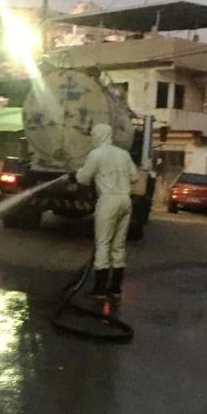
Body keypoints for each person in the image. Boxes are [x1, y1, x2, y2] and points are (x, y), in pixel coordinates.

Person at [73, 123, 140, 298]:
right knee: (118, 245)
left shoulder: (96, 154)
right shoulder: (123, 154)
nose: (93, 138)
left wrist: (78, 172)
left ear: (99, 136)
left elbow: (84, 179)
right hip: (125, 201)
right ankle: (115, 289)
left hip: (108, 200)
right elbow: (135, 177)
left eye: (94, 135)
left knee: (103, 244)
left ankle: (100, 290)